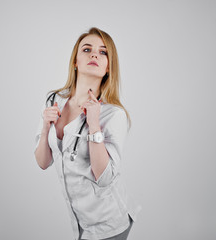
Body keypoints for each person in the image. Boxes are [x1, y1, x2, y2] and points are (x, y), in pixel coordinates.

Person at [34, 27, 141, 240]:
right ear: (75, 61)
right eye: (87, 49)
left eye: (103, 52)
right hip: (81, 223)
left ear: (109, 68)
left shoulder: (113, 114)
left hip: (109, 223)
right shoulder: (54, 101)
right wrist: (46, 127)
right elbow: (43, 162)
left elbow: (104, 178)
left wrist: (94, 125)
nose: (94, 54)